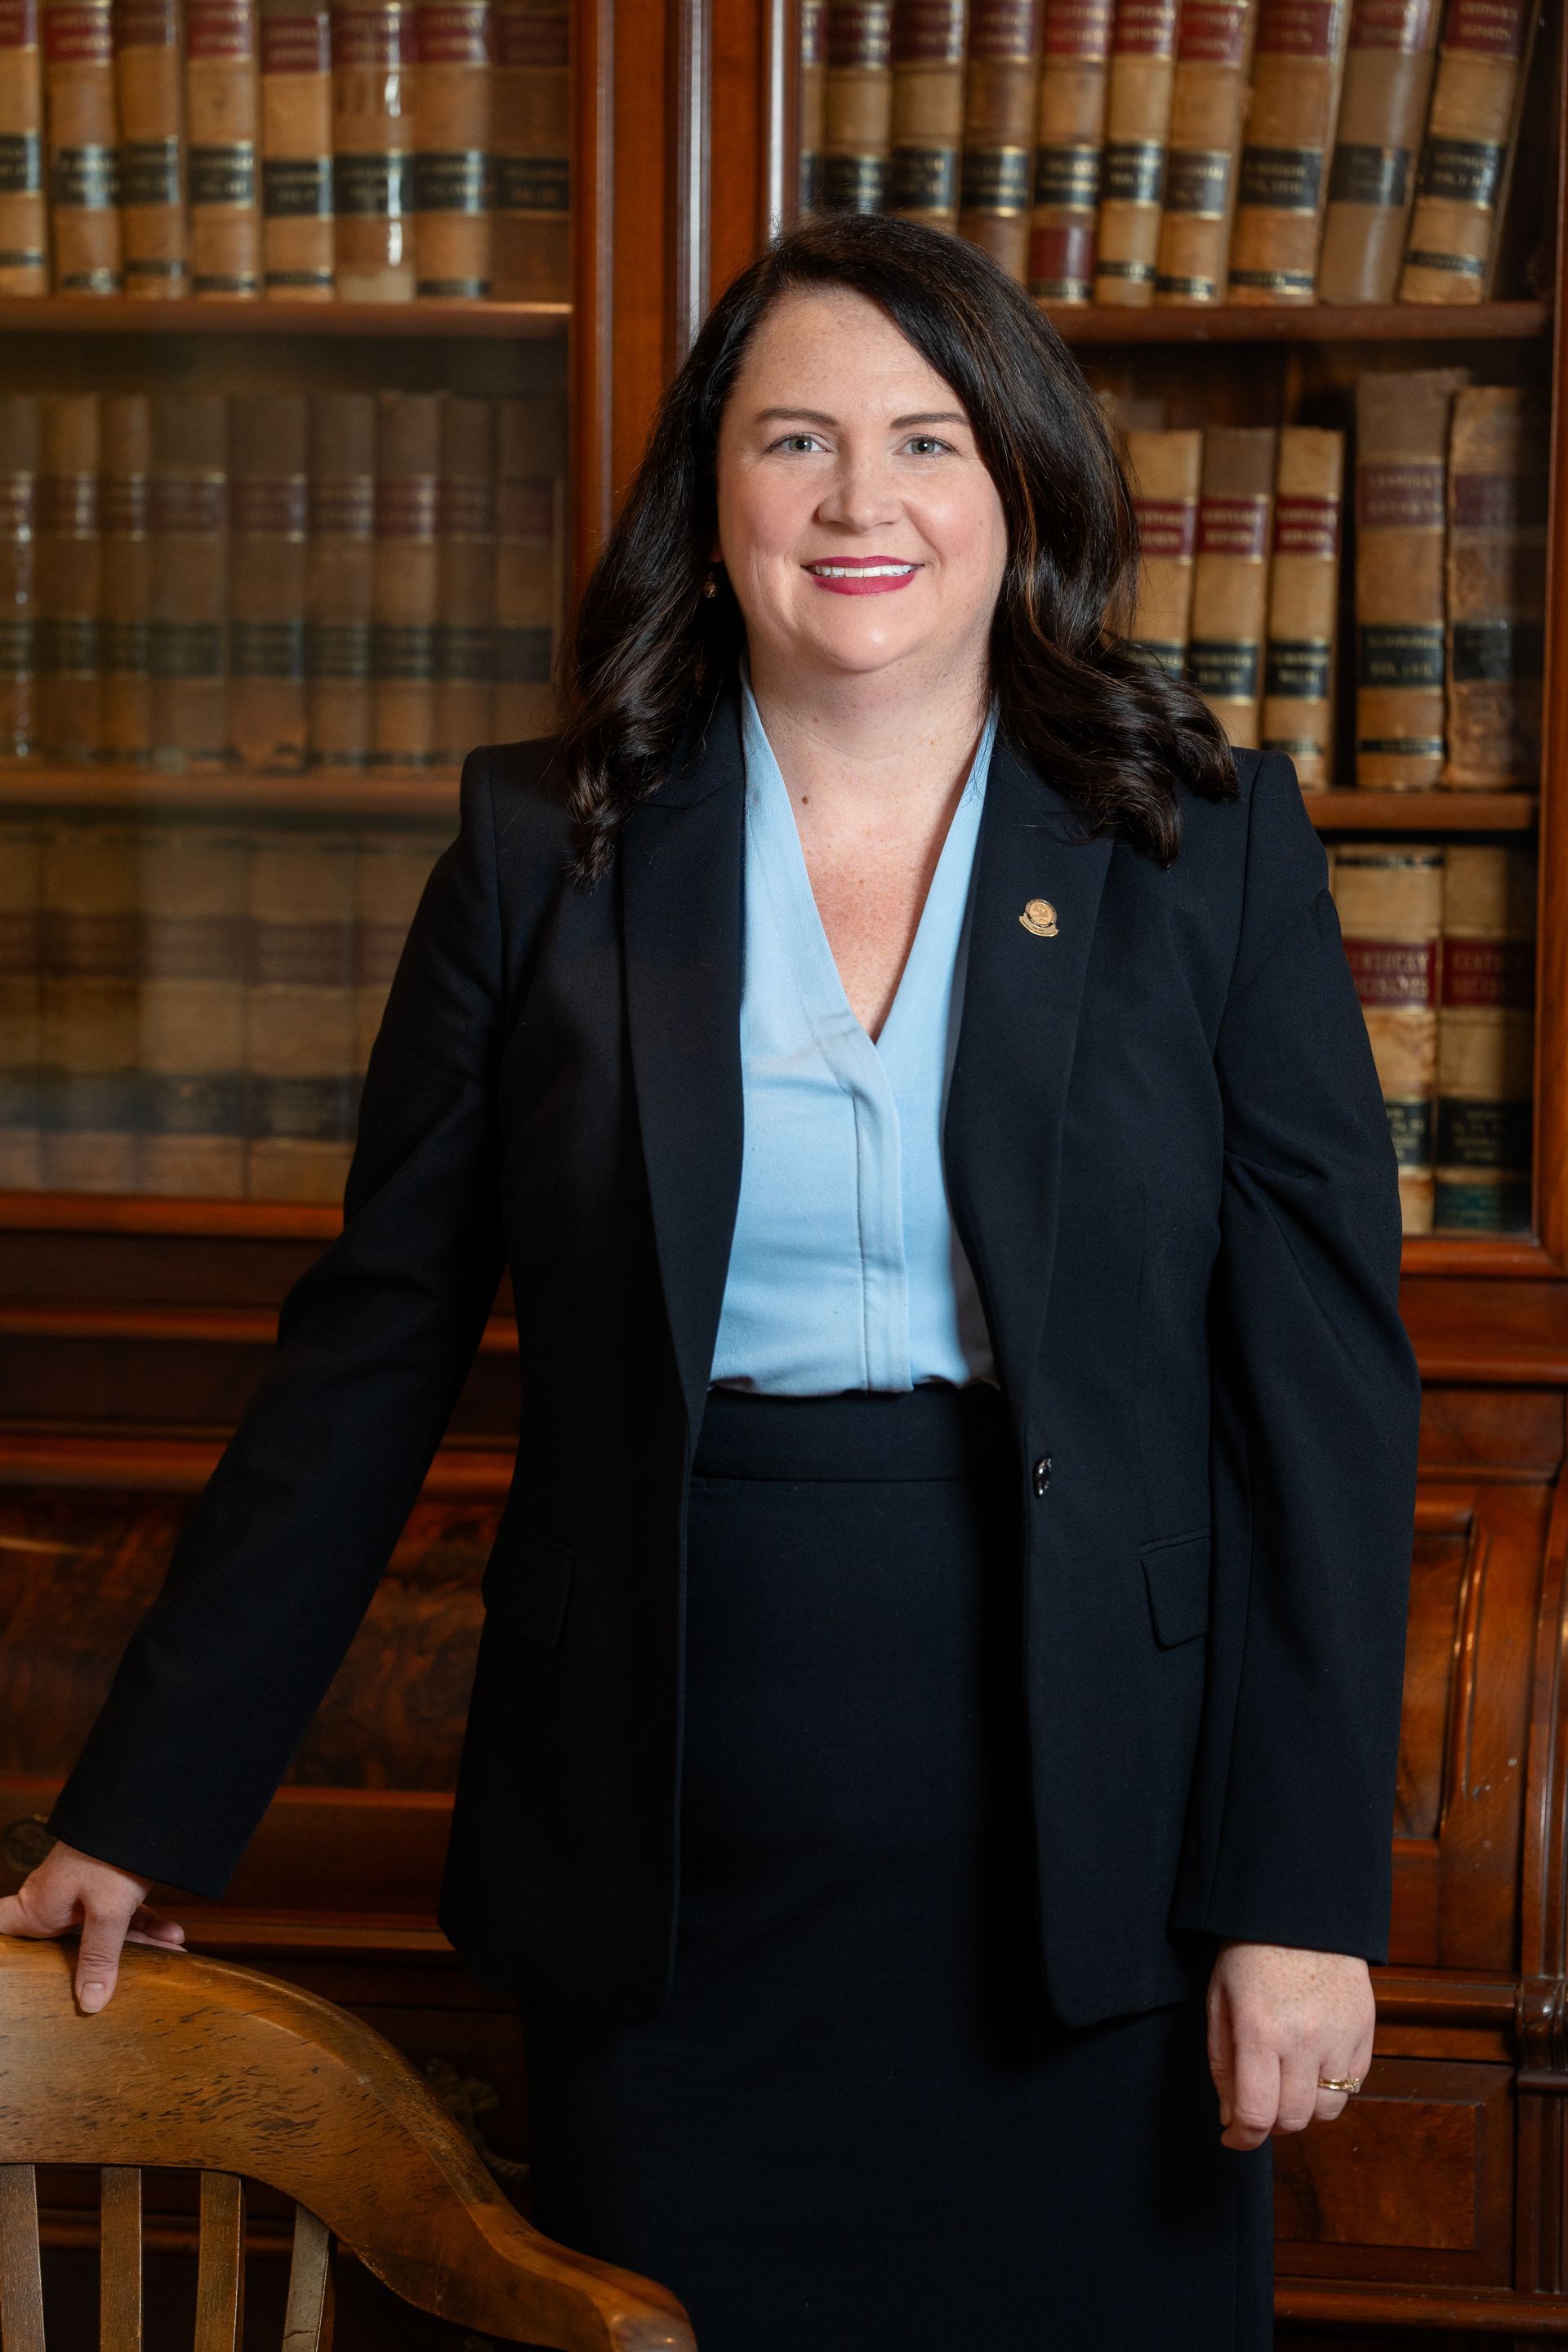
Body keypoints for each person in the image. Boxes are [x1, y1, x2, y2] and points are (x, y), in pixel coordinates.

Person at [0, 213, 1420, 2349]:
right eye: (797, 441)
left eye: (927, 439)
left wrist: (1303, 1895)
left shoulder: (1204, 849)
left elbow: (1321, 1392)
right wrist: (145, 1804)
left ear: (1017, 483)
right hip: (673, 1835)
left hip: (1099, 1841)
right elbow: (374, 1346)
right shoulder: (540, 848)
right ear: (714, 492)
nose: (864, 504)